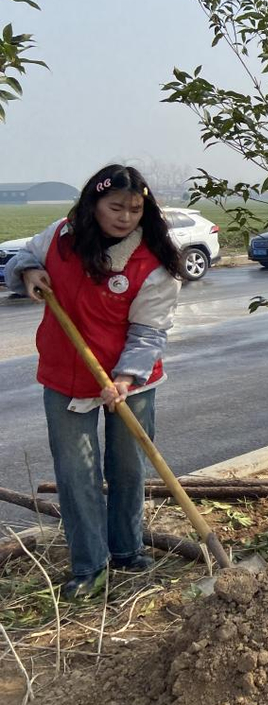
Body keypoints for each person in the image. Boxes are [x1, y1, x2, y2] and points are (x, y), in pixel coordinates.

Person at [5, 165, 184, 597]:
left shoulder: (153, 263)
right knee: (76, 473)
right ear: (93, 205)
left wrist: (123, 380)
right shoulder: (60, 237)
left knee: (127, 469)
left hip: (130, 380)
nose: (125, 217)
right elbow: (23, 257)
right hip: (65, 376)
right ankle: (89, 565)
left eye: (135, 209)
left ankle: (127, 550)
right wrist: (30, 272)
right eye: (115, 207)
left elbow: (149, 332)